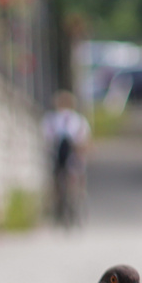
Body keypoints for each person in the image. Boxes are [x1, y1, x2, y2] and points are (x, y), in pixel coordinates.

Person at [42, 90, 90, 227]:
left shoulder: (53, 120)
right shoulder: (75, 120)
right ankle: (66, 202)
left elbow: (47, 139)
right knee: (66, 180)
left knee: (67, 179)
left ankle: (72, 201)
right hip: (63, 155)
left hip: (69, 155)